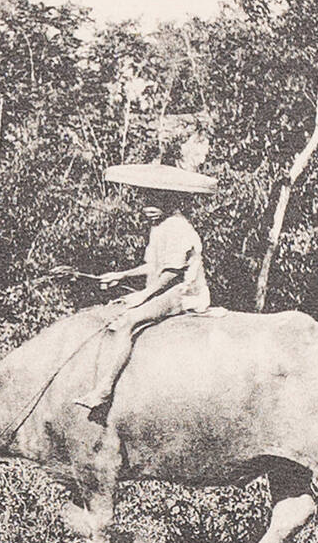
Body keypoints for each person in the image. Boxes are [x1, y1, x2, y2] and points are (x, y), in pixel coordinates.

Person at [73, 165, 214, 413]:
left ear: (170, 201)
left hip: (182, 292)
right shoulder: (159, 226)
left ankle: (104, 388)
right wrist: (122, 275)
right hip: (164, 289)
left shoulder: (178, 228)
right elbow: (152, 265)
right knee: (115, 308)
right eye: (145, 201)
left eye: (154, 202)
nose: (146, 208)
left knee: (128, 321)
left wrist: (142, 295)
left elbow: (171, 272)